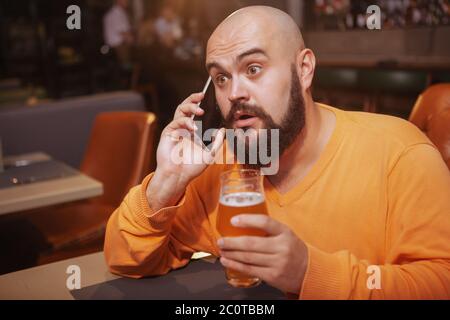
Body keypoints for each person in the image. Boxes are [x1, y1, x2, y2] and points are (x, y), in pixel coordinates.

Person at [104, 6, 450, 299]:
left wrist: (309, 272)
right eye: (221, 78)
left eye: (253, 69)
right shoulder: (216, 164)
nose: (235, 92)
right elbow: (125, 259)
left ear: (304, 70)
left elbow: (442, 281)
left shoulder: (398, 153)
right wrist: (166, 182)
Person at [103, 0, 134, 66]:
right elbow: (122, 32)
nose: (127, 2)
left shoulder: (120, 12)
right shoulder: (115, 13)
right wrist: (133, 40)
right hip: (118, 46)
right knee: (131, 65)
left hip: (120, 44)